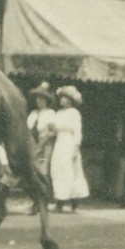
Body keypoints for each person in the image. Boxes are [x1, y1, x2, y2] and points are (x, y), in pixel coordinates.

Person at [49, 85, 90, 213]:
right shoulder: (58, 113)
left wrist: (76, 147)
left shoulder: (74, 113)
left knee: (70, 171)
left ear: (70, 100)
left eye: (64, 98)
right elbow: (55, 130)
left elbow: (77, 131)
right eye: (61, 97)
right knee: (58, 170)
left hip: (69, 143)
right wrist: (51, 128)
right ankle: (60, 201)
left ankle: (74, 202)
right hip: (59, 143)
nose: (61, 100)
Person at [27, 82, 58, 214]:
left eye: (41, 99)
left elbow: (53, 132)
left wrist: (42, 143)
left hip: (45, 146)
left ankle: (43, 202)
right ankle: (36, 201)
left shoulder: (50, 113)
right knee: (33, 173)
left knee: (42, 172)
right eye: (37, 98)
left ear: (46, 101)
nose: (38, 101)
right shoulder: (33, 113)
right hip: (33, 145)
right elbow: (28, 130)